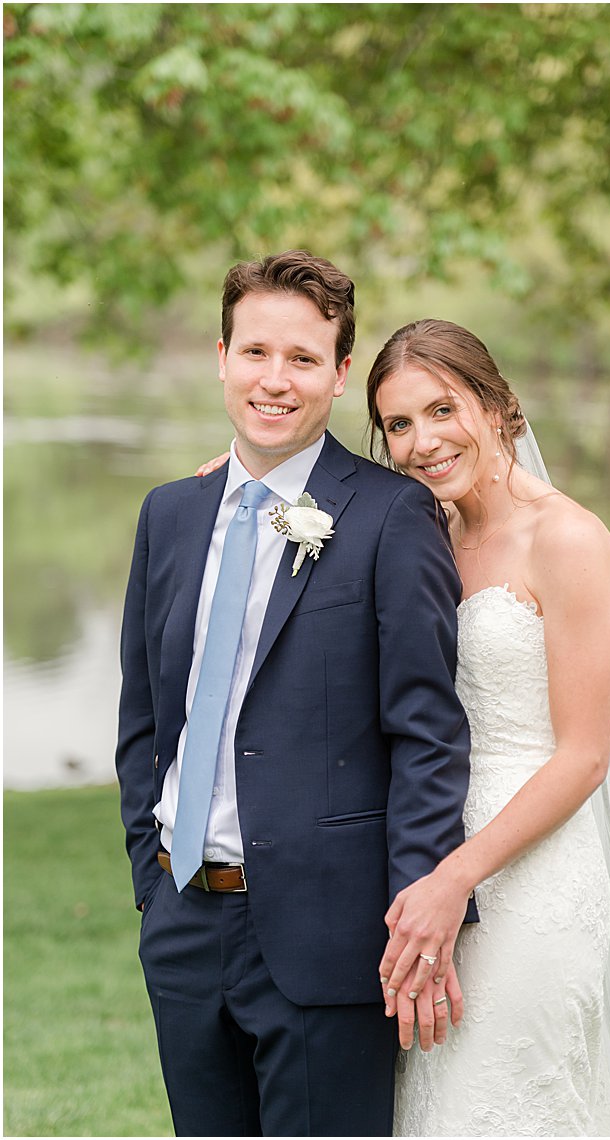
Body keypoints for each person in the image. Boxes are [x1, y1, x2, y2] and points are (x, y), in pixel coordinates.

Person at [117, 250, 473, 1135]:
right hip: (183, 924)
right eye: (256, 353)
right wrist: (150, 877)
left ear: (340, 373)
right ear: (222, 356)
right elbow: (146, 716)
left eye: (304, 359)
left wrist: (413, 915)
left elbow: (428, 734)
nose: (275, 381)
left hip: (330, 935)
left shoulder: (394, 515)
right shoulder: (169, 514)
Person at [362, 320, 610, 1135]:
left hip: (530, 877)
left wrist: (453, 881)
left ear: (497, 407)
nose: (423, 441)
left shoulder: (568, 539)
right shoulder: (422, 535)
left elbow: (584, 757)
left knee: (507, 1105)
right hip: (424, 865)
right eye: (399, 424)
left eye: (442, 409)